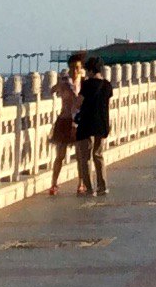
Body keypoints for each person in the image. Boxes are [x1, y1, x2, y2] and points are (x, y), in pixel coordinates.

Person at [73, 56, 115, 196]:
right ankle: (103, 186)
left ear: (90, 70)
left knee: (85, 157)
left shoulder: (87, 85)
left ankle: (89, 188)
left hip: (86, 123)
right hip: (102, 122)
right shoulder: (107, 85)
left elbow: (78, 102)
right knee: (98, 155)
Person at [47, 51, 83, 196]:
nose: (75, 71)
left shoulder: (83, 82)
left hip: (78, 122)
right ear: (69, 67)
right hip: (64, 120)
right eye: (73, 67)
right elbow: (52, 90)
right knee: (60, 155)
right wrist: (59, 88)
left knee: (80, 155)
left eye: (77, 67)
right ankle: (54, 184)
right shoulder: (64, 82)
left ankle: (81, 183)